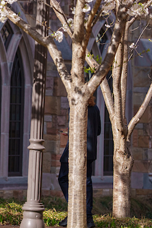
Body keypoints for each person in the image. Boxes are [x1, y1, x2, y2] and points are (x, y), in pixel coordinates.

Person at [58, 96, 102, 228]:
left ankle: (75, 210)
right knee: (87, 182)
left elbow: (75, 131)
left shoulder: (76, 108)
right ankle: (87, 216)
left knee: (63, 178)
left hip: (75, 150)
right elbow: (98, 131)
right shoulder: (95, 109)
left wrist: (69, 134)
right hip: (90, 151)